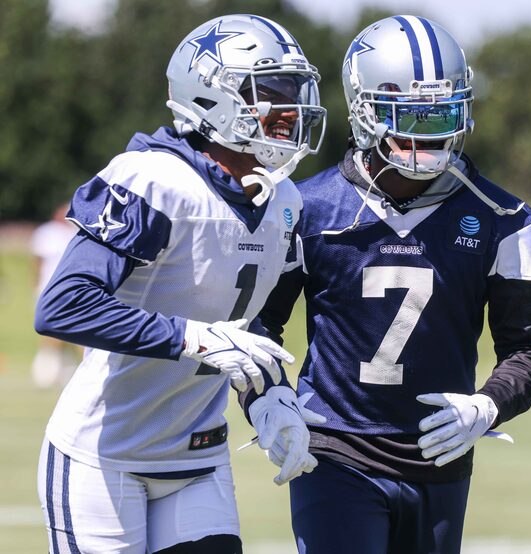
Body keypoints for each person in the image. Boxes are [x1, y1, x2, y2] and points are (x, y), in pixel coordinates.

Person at [253, 15, 531, 554]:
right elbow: (258, 324)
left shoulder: (504, 218)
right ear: (365, 110)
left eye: (443, 111)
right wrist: (266, 398)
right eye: (411, 115)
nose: (430, 132)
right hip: (335, 447)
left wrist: (486, 406)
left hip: (439, 451)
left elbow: (529, 347)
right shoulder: (304, 207)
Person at [33, 14, 326, 553]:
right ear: (212, 95)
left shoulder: (282, 200)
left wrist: (269, 397)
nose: (290, 111)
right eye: (272, 92)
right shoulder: (153, 179)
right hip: (103, 456)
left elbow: (240, 312)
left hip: (196, 455)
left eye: (295, 91)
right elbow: (62, 306)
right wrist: (196, 339)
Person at [30, 202, 81, 388]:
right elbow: (38, 260)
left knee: (77, 332)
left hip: (73, 289)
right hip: (49, 288)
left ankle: (68, 371)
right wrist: (36, 284)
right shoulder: (47, 232)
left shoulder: (76, 232)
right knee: (51, 334)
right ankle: (48, 373)